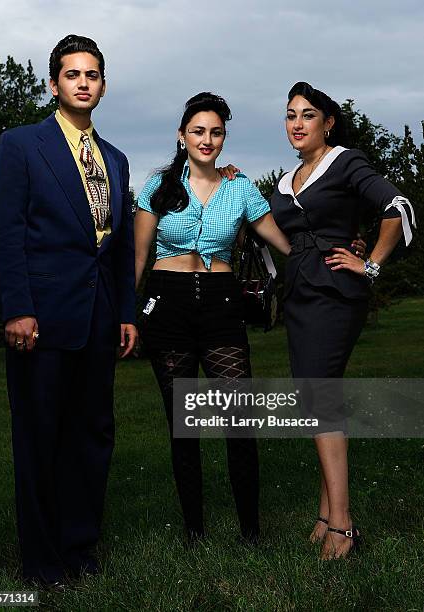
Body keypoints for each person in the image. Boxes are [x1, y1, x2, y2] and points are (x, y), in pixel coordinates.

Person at [222, 82, 415, 559]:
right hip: (300, 296)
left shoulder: (346, 161)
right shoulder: (287, 181)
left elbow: (398, 207)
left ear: (327, 122)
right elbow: (271, 228)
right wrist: (236, 181)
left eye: (308, 115)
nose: (297, 123)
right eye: (290, 115)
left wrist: (369, 263)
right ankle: (326, 513)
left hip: (335, 293)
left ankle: (343, 528)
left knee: (321, 396)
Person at [0, 34, 137, 586]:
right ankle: (43, 560)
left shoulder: (117, 160)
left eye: (93, 74)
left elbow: (118, 248)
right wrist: (18, 309)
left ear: (102, 85)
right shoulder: (22, 145)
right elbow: (6, 233)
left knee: (91, 434)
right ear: (54, 83)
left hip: (100, 320)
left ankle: (80, 548)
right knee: (40, 436)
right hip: (42, 319)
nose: (83, 82)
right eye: (72, 73)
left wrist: (126, 313)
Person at [134, 92, 291, 544]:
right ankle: (194, 531)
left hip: (222, 303)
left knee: (239, 419)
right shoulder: (157, 187)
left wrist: (333, 249)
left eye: (216, 132)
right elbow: (139, 257)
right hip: (169, 304)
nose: (207, 139)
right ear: (181, 137)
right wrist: (126, 315)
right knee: (183, 424)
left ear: (224, 137)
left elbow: (282, 241)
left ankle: (251, 531)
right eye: (198, 131)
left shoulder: (240, 187)